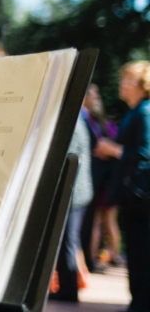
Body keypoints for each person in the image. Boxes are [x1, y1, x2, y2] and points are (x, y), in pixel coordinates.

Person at [95, 61, 150, 312]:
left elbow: (145, 153)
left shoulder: (145, 112)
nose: (122, 84)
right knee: (138, 249)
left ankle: (141, 304)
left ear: (141, 85)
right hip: (133, 194)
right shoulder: (136, 111)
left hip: (140, 196)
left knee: (141, 249)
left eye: (127, 79)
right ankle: (139, 302)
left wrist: (113, 150)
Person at [48, 118, 94, 302]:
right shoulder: (78, 120)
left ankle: (68, 291)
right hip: (77, 190)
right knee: (67, 240)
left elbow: (69, 159)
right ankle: (67, 288)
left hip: (74, 192)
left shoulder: (74, 121)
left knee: (67, 241)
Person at [82, 83, 122, 272]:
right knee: (104, 219)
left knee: (101, 219)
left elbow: (112, 145)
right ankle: (107, 255)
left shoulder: (99, 122)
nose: (96, 98)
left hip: (103, 179)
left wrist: (108, 149)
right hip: (104, 178)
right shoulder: (97, 121)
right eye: (93, 95)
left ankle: (102, 257)